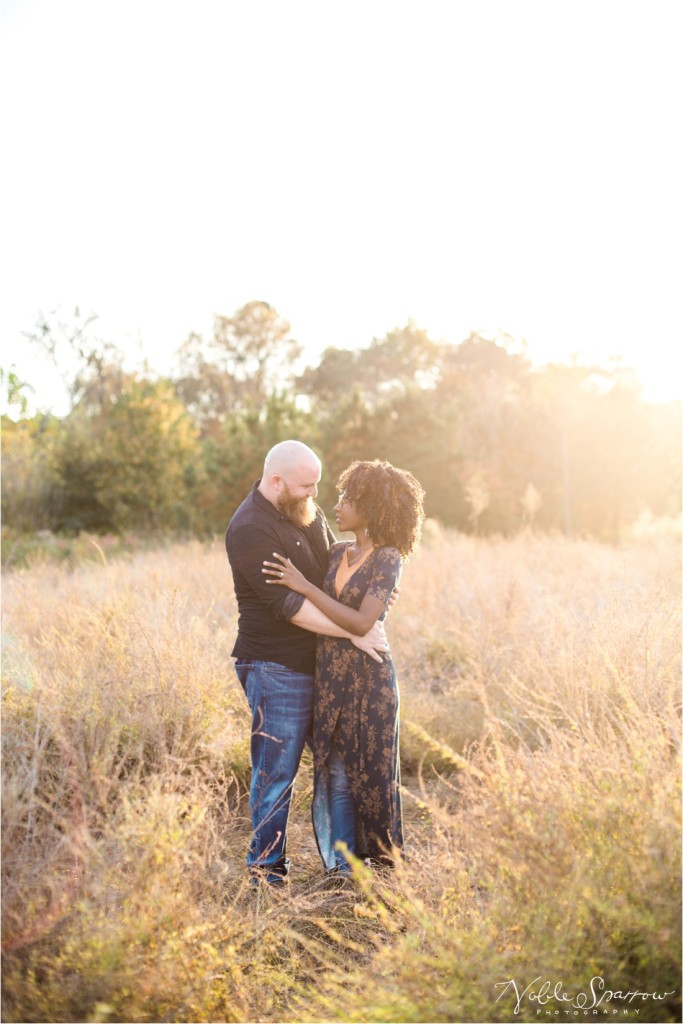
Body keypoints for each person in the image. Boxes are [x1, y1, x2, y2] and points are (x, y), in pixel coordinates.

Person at [225, 440, 390, 886]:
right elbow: (290, 605)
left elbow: (331, 575)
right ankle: (266, 870)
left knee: (338, 764)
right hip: (275, 667)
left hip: (324, 664)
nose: (314, 494)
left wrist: (372, 592)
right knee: (277, 770)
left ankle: (343, 865)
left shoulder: (307, 510)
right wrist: (356, 632)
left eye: (317, 484)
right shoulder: (250, 529)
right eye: (305, 486)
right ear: (276, 481)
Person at [262, 458, 425, 877]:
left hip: (370, 679)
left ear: (371, 507)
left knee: (370, 774)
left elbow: (360, 622)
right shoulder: (336, 552)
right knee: (334, 769)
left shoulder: (388, 559)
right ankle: (343, 866)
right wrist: (309, 588)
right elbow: (333, 611)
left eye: (348, 499)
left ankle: (382, 867)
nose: (337, 505)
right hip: (332, 674)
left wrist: (303, 586)